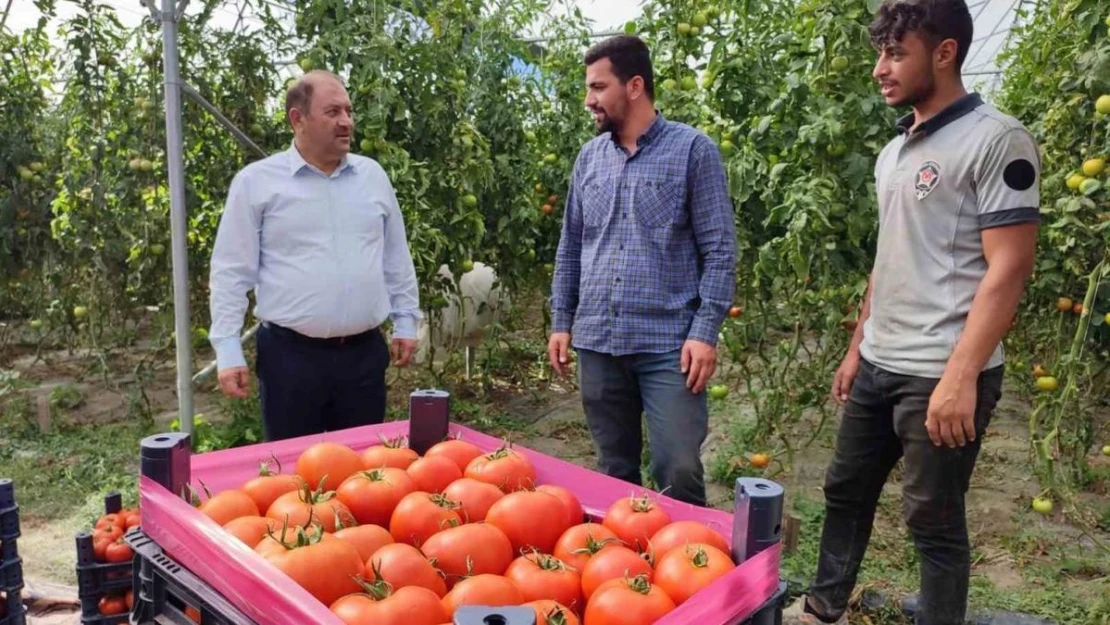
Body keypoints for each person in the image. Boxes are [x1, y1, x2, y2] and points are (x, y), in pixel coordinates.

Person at [785, 1, 1040, 624]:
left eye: (896, 53)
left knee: (933, 517)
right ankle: (823, 606)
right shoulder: (895, 152)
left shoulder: (995, 139)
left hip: (941, 369)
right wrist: (855, 347)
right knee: (845, 491)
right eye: (881, 52)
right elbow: (889, 257)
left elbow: (1009, 267)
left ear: (944, 52)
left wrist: (962, 376)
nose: (880, 68)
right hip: (880, 360)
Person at [548, 35, 737, 507]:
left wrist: (706, 331)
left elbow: (719, 249)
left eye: (598, 86)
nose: (589, 100)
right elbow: (571, 244)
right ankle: (624, 570)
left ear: (634, 86)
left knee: (678, 467)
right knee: (614, 472)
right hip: (599, 340)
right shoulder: (589, 159)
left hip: (668, 345)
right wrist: (561, 319)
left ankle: (692, 571)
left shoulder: (694, 151)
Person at [207, 70, 422, 441]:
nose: (346, 122)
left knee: (363, 469)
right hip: (291, 358)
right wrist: (227, 348)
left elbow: (395, 257)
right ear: (297, 119)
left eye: (349, 111)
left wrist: (406, 320)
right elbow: (231, 272)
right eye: (333, 112)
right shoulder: (257, 183)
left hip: (363, 356)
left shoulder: (372, 177)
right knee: (293, 477)